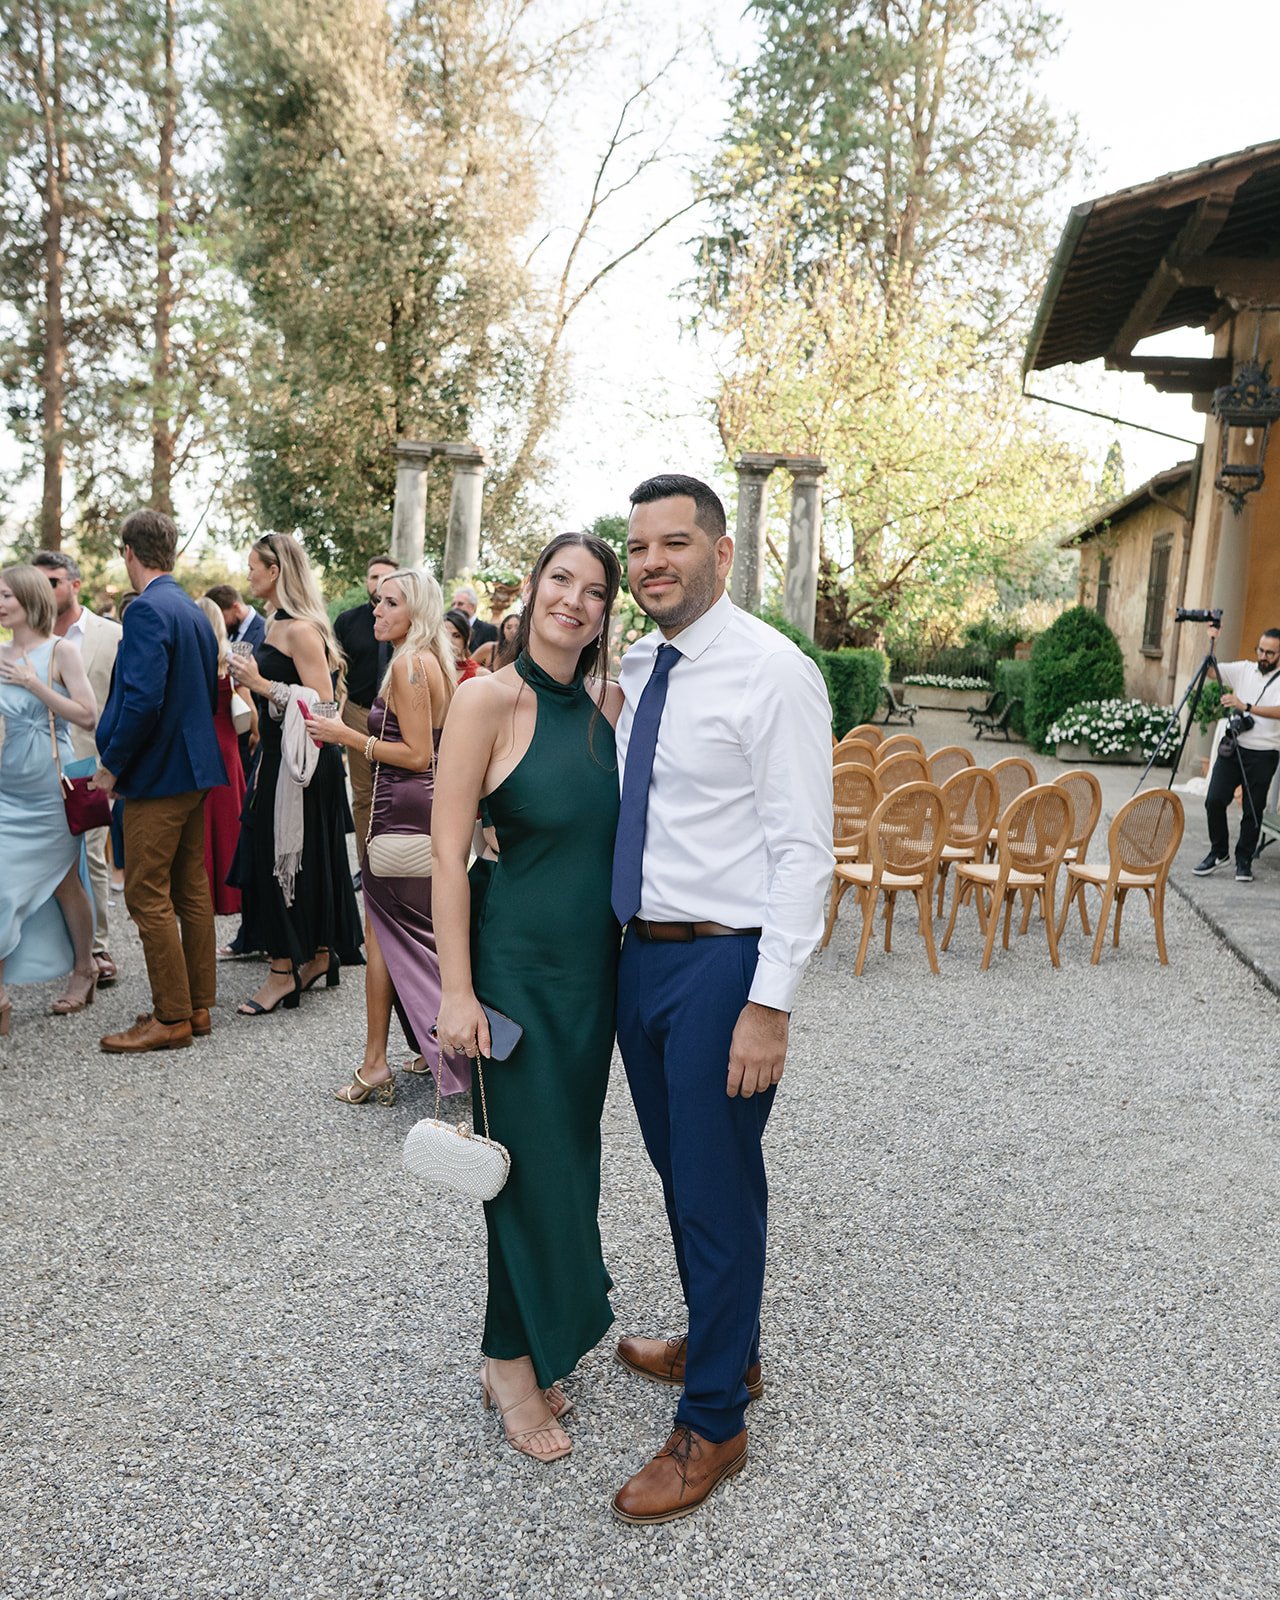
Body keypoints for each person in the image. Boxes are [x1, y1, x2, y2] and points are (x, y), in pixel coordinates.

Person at [608, 474, 832, 1524]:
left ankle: (712, 1424)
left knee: (711, 1182)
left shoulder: (771, 672)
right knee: (685, 1171)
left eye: (674, 544)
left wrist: (767, 1001)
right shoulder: (640, 662)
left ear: (721, 552)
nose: (653, 562)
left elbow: (803, 850)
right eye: (638, 546)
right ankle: (722, 1344)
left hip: (720, 967)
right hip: (638, 957)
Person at [434, 532, 623, 1465]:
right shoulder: (486, 698)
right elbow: (447, 854)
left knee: (567, 1170)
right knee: (524, 1173)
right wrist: (456, 990)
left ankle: (532, 1335)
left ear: (604, 612)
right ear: (531, 588)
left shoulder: (602, 710)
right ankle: (508, 1361)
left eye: (594, 592)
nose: (575, 602)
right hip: (512, 979)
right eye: (562, 582)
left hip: (594, 982)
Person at [308, 567, 467, 1103]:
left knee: (385, 936)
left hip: (404, 811)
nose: (375, 611)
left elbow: (418, 754)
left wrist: (347, 735)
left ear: (415, 611)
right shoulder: (425, 661)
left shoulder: (411, 666)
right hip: (419, 808)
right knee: (413, 934)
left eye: (388, 603)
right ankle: (430, 1047)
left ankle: (377, 1063)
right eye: (377, 602)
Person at [93, 512, 228, 1053]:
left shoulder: (147, 609)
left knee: (147, 892)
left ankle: (170, 1016)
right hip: (193, 767)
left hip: (159, 773)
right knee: (189, 886)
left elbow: (143, 699)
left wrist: (113, 765)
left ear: (130, 551)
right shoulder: (192, 609)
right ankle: (196, 1006)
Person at [226, 533, 362, 1014]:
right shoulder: (270, 624)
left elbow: (322, 703)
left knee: (282, 858)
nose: (248, 575)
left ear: (276, 570)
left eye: (253, 567)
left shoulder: (301, 629)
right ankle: (319, 954)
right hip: (282, 755)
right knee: (295, 859)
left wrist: (260, 683)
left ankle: (282, 972)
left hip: (305, 764)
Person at [0, 565, 102, 1033]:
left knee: (64, 884)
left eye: (6, 595)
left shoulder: (61, 651)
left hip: (49, 791)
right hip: (6, 786)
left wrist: (34, 684)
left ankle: (86, 967)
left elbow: (88, 717)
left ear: (28, 599)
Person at [32, 548, 124, 988]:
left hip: (92, 763)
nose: (45, 591)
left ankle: (98, 948)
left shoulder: (113, 634)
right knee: (43, 857)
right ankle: (57, 947)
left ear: (74, 584)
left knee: (91, 853)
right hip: (34, 766)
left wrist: (119, 767)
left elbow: (126, 703)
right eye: (38, 582)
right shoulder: (25, 639)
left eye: (52, 581)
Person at [1194, 622, 1280, 883]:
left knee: (1252, 810)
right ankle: (1219, 852)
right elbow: (1209, 671)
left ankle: (1244, 860)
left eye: (1269, 653)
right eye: (1260, 650)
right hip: (1234, 747)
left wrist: (1246, 706)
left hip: (1264, 752)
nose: (1262, 657)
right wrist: (1212, 642)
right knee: (1214, 800)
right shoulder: (1244, 669)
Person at [333, 554, 398, 847]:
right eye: (374, 576)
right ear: (366, 580)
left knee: (397, 792)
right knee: (363, 795)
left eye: (386, 577)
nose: (379, 582)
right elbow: (334, 670)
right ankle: (365, 862)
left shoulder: (410, 622)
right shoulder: (348, 621)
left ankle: (394, 862)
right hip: (358, 713)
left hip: (400, 717)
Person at [196, 598, 248, 916]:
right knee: (230, 817)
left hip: (202, 743)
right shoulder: (231, 662)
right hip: (228, 743)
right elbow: (249, 712)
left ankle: (204, 891)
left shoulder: (188, 660)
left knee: (203, 819)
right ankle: (233, 895)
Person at [443, 608, 490, 682]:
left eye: (456, 636)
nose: (449, 641)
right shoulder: (432, 669)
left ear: (467, 639)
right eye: (444, 635)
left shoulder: (481, 675)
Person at [451, 583, 496, 652]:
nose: (455, 607)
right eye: (453, 604)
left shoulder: (489, 630)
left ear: (473, 607)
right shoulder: (447, 629)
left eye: (460, 604)